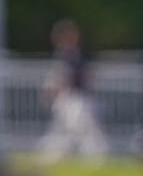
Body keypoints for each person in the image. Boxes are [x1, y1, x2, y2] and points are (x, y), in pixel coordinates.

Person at [37, 18, 108, 163]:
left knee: (80, 131)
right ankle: (52, 156)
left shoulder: (75, 56)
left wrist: (53, 92)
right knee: (68, 131)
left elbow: (66, 79)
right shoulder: (67, 56)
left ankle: (95, 158)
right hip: (70, 100)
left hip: (77, 99)